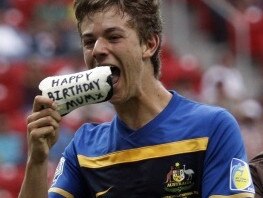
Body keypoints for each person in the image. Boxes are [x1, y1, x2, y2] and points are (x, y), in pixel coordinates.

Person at [18, 0, 255, 197]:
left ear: (149, 44)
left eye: (113, 37)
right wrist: (37, 160)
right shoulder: (83, 148)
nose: (98, 50)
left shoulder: (213, 128)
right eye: (89, 42)